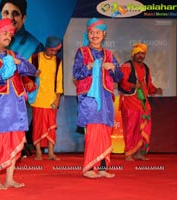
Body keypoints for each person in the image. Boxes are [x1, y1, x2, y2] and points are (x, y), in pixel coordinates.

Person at [0, 18, 38, 190]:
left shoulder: (13, 55)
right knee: (0, 141)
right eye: (4, 33)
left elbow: (32, 70)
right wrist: (7, 67)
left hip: (16, 104)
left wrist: (21, 63)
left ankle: (10, 178)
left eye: (10, 34)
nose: (8, 36)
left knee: (15, 139)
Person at [73, 18, 123, 178]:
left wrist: (113, 68)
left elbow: (119, 77)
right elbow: (76, 74)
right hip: (89, 97)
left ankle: (102, 167)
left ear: (104, 34)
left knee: (105, 131)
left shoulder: (109, 54)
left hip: (106, 97)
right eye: (92, 32)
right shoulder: (82, 52)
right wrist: (88, 67)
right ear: (88, 34)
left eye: (98, 32)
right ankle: (88, 167)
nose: (95, 35)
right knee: (93, 131)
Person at [0, 0, 44, 156]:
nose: (10, 17)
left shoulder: (34, 45)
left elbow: (35, 75)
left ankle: (17, 149)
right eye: (6, 13)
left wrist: (26, 99)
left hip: (21, 97)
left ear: (23, 18)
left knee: (16, 130)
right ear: (0, 15)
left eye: (15, 13)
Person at [118, 43, 162, 161]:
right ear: (134, 54)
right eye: (138, 53)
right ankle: (129, 153)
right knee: (131, 127)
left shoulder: (146, 68)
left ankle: (139, 152)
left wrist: (155, 90)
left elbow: (148, 86)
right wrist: (133, 85)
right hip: (130, 101)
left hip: (143, 101)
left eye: (143, 53)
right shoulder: (126, 66)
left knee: (145, 127)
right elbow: (122, 82)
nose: (140, 55)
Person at [30, 36, 63, 161]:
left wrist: (57, 98)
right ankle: (38, 152)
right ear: (46, 48)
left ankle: (50, 152)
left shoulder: (58, 61)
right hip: (37, 99)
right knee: (38, 126)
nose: (53, 53)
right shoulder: (34, 58)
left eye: (56, 51)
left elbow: (59, 81)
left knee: (51, 126)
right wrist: (32, 75)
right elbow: (26, 75)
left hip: (51, 99)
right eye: (51, 50)